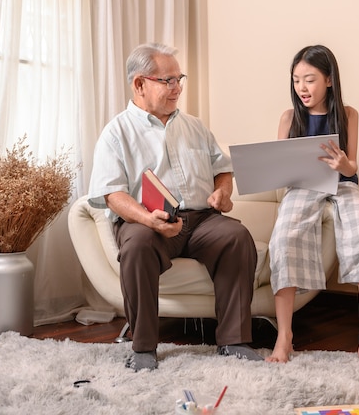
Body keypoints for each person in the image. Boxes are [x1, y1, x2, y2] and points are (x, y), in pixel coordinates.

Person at [87, 43, 263, 371]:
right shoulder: (116, 133)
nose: (177, 88)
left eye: (178, 78)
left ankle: (234, 340)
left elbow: (222, 169)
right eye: (167, 80)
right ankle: (142, 348)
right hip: (144, 220)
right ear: (139, 85)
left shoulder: (194, 126)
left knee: (236, 236)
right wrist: (148, 220)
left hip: (200, 220)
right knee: (137, 244)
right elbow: (112, 195)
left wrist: (222, 193)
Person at [265, 45, 359, 365]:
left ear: (329, 80)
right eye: (296, 81)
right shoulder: (288, 117)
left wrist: (343, 163)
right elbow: (280, 171)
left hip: (343, 185)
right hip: (302, 188)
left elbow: (353, 168)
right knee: (284, 239)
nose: (302, 88)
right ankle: (284, 337)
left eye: (310, 80)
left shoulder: (348, 114)